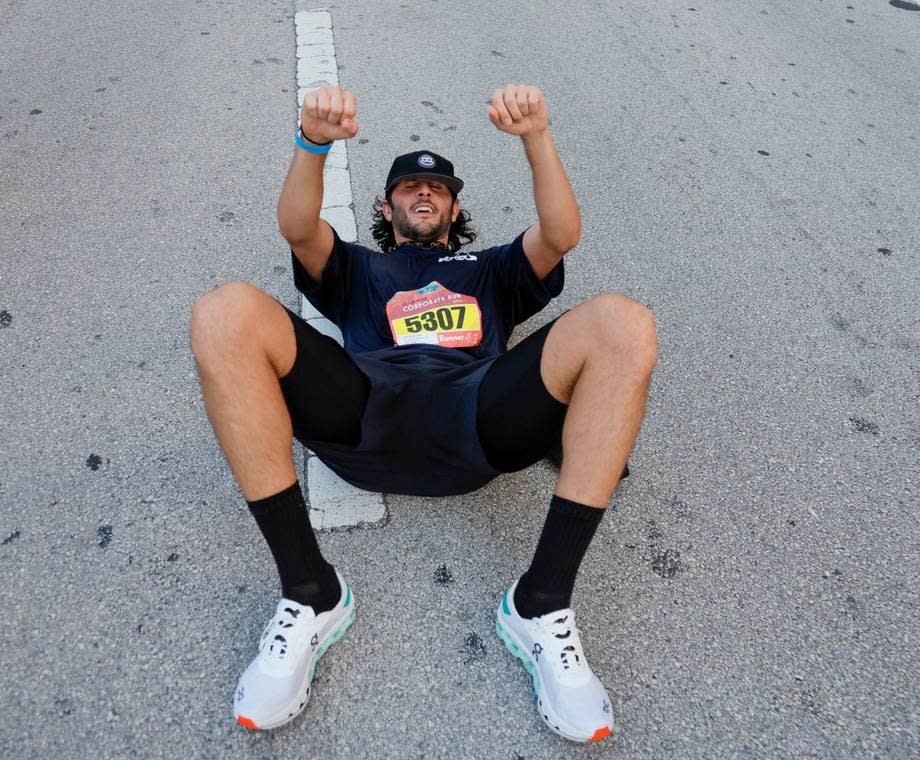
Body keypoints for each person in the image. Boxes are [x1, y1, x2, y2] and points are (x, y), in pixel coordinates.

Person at [189, 82, 657, 743]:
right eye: (409, 186)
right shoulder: (360, 270)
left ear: (455, 207)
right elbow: (298, 228)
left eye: (436, 189)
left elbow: (561, 234)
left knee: (625, 324)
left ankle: (541, 603)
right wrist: (313, 141)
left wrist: (537, 137)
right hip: (363, 415)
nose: (424, 193)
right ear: (387, 205)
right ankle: (309, 591)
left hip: (475, 419)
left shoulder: (490, 271)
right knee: (223, 313)